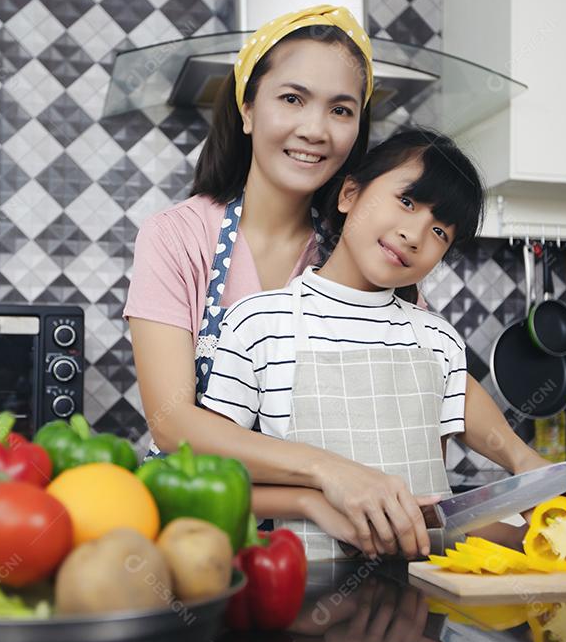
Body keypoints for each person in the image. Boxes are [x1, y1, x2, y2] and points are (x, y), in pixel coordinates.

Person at [124, 4, 566, 559]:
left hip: (348, 550)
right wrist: (326, 478)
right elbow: (173, 427)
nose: (314, 129)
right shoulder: (178, 237)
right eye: (292, 98)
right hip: (212, 534)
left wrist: (527, 464)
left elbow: (439, 372)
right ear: (246, 108)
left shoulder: (365, 242)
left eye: (340, 109)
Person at [202, 128, 481, 559]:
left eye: (441, 231)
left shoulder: (440, 342)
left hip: (421, 589)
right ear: (349, 194)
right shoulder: (259, 323)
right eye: (407, 202)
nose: (415, 235)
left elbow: (429, 492)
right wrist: (311, 503)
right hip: (302, 589)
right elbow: (217, 475)